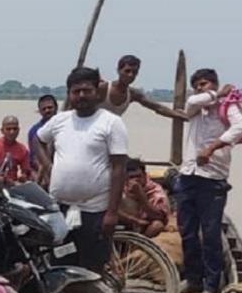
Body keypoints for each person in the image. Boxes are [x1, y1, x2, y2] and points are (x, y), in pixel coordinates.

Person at [35, 66, 129, 273]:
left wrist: (112, 213)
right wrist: (48, 166)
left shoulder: (111, 123)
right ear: (69, 94)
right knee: (62, 266)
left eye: (87, 90)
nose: (81, 95)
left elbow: (119, 169)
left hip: (95, 211)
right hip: (61, 210)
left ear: (97, 92)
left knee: (92, 271)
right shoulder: (60, 120)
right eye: (76, 91)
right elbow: (38, 140)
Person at [174, 68, 242, 293]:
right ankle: (194, 279)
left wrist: (212, 147)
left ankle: (211, 285)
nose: (199, 88)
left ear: (213, 84)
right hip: (188, 173)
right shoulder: (198, 107)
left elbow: (240, 129)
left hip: (212, 178)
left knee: (211, 234)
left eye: (204, 84)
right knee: (187, 230)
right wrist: (215, 94)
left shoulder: (229, 106)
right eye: (196, 84)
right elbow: (191, 102)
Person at [99, 55, 186, 120]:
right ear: (118, 70)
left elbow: (157, 108)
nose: (130, 75)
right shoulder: (104, 88)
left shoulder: (133, 94)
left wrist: (180, 115)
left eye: (134, 72)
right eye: (127, 71)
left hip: (111, 132)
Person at [118, 158, 170, 237]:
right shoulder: (120, 187)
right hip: (126, 221)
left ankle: (138, 245)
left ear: (145, 175)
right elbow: (112, 210)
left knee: (157, 225)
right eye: (131, 177)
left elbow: (160, 217)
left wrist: (141, 195)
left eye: (138, 176)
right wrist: (134, 220)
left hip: (144, 225)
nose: (135, 180)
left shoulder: (155, 190)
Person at [0, 115, 34, 183]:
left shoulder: (23, 149)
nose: (12, 132)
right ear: (2, 130)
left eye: (14, 129)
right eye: (8, 129)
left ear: (18, 130)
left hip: (13, 185)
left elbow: (26, 172)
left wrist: (23, 176)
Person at [27, 94, 59, 168]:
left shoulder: (65, 125)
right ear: (40, 111)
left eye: (50, 107)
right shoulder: (34, 130)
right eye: (43, 109)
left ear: (56, 108)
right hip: (44, 170)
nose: (47, 110)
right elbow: (34, 157)